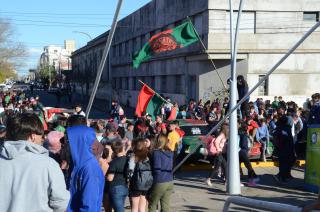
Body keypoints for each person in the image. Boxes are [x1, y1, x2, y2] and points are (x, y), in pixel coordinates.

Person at [0, 113, 69, 212]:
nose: (43, 139)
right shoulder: (49, 165)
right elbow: (61, 204)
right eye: (41, 136)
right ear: (32, 136)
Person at [67, 124, 105, 211]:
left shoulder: (90, 168)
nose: (66, 144)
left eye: (69, 141)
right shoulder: (78, 164)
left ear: (79, 141)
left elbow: (89, 206)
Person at [148, 134, 174, 212]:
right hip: (169, 180)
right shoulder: (170, 152)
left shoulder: (157, 153)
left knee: (152, 205)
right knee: (166, 206)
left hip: (160, 181)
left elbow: (157, 168)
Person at [129, 139, 153, 212]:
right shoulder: (147, 157)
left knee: (134, 207)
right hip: (146, 184)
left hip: (135, 184)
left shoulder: (133, 157)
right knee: (142, 207)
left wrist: (128, 181)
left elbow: (130, 171)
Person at [107, 140, 129, 212]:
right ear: (122, 148)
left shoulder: (114, 162)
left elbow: (110, 178)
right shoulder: (128, 159)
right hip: (125, 186)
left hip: (116, 187)